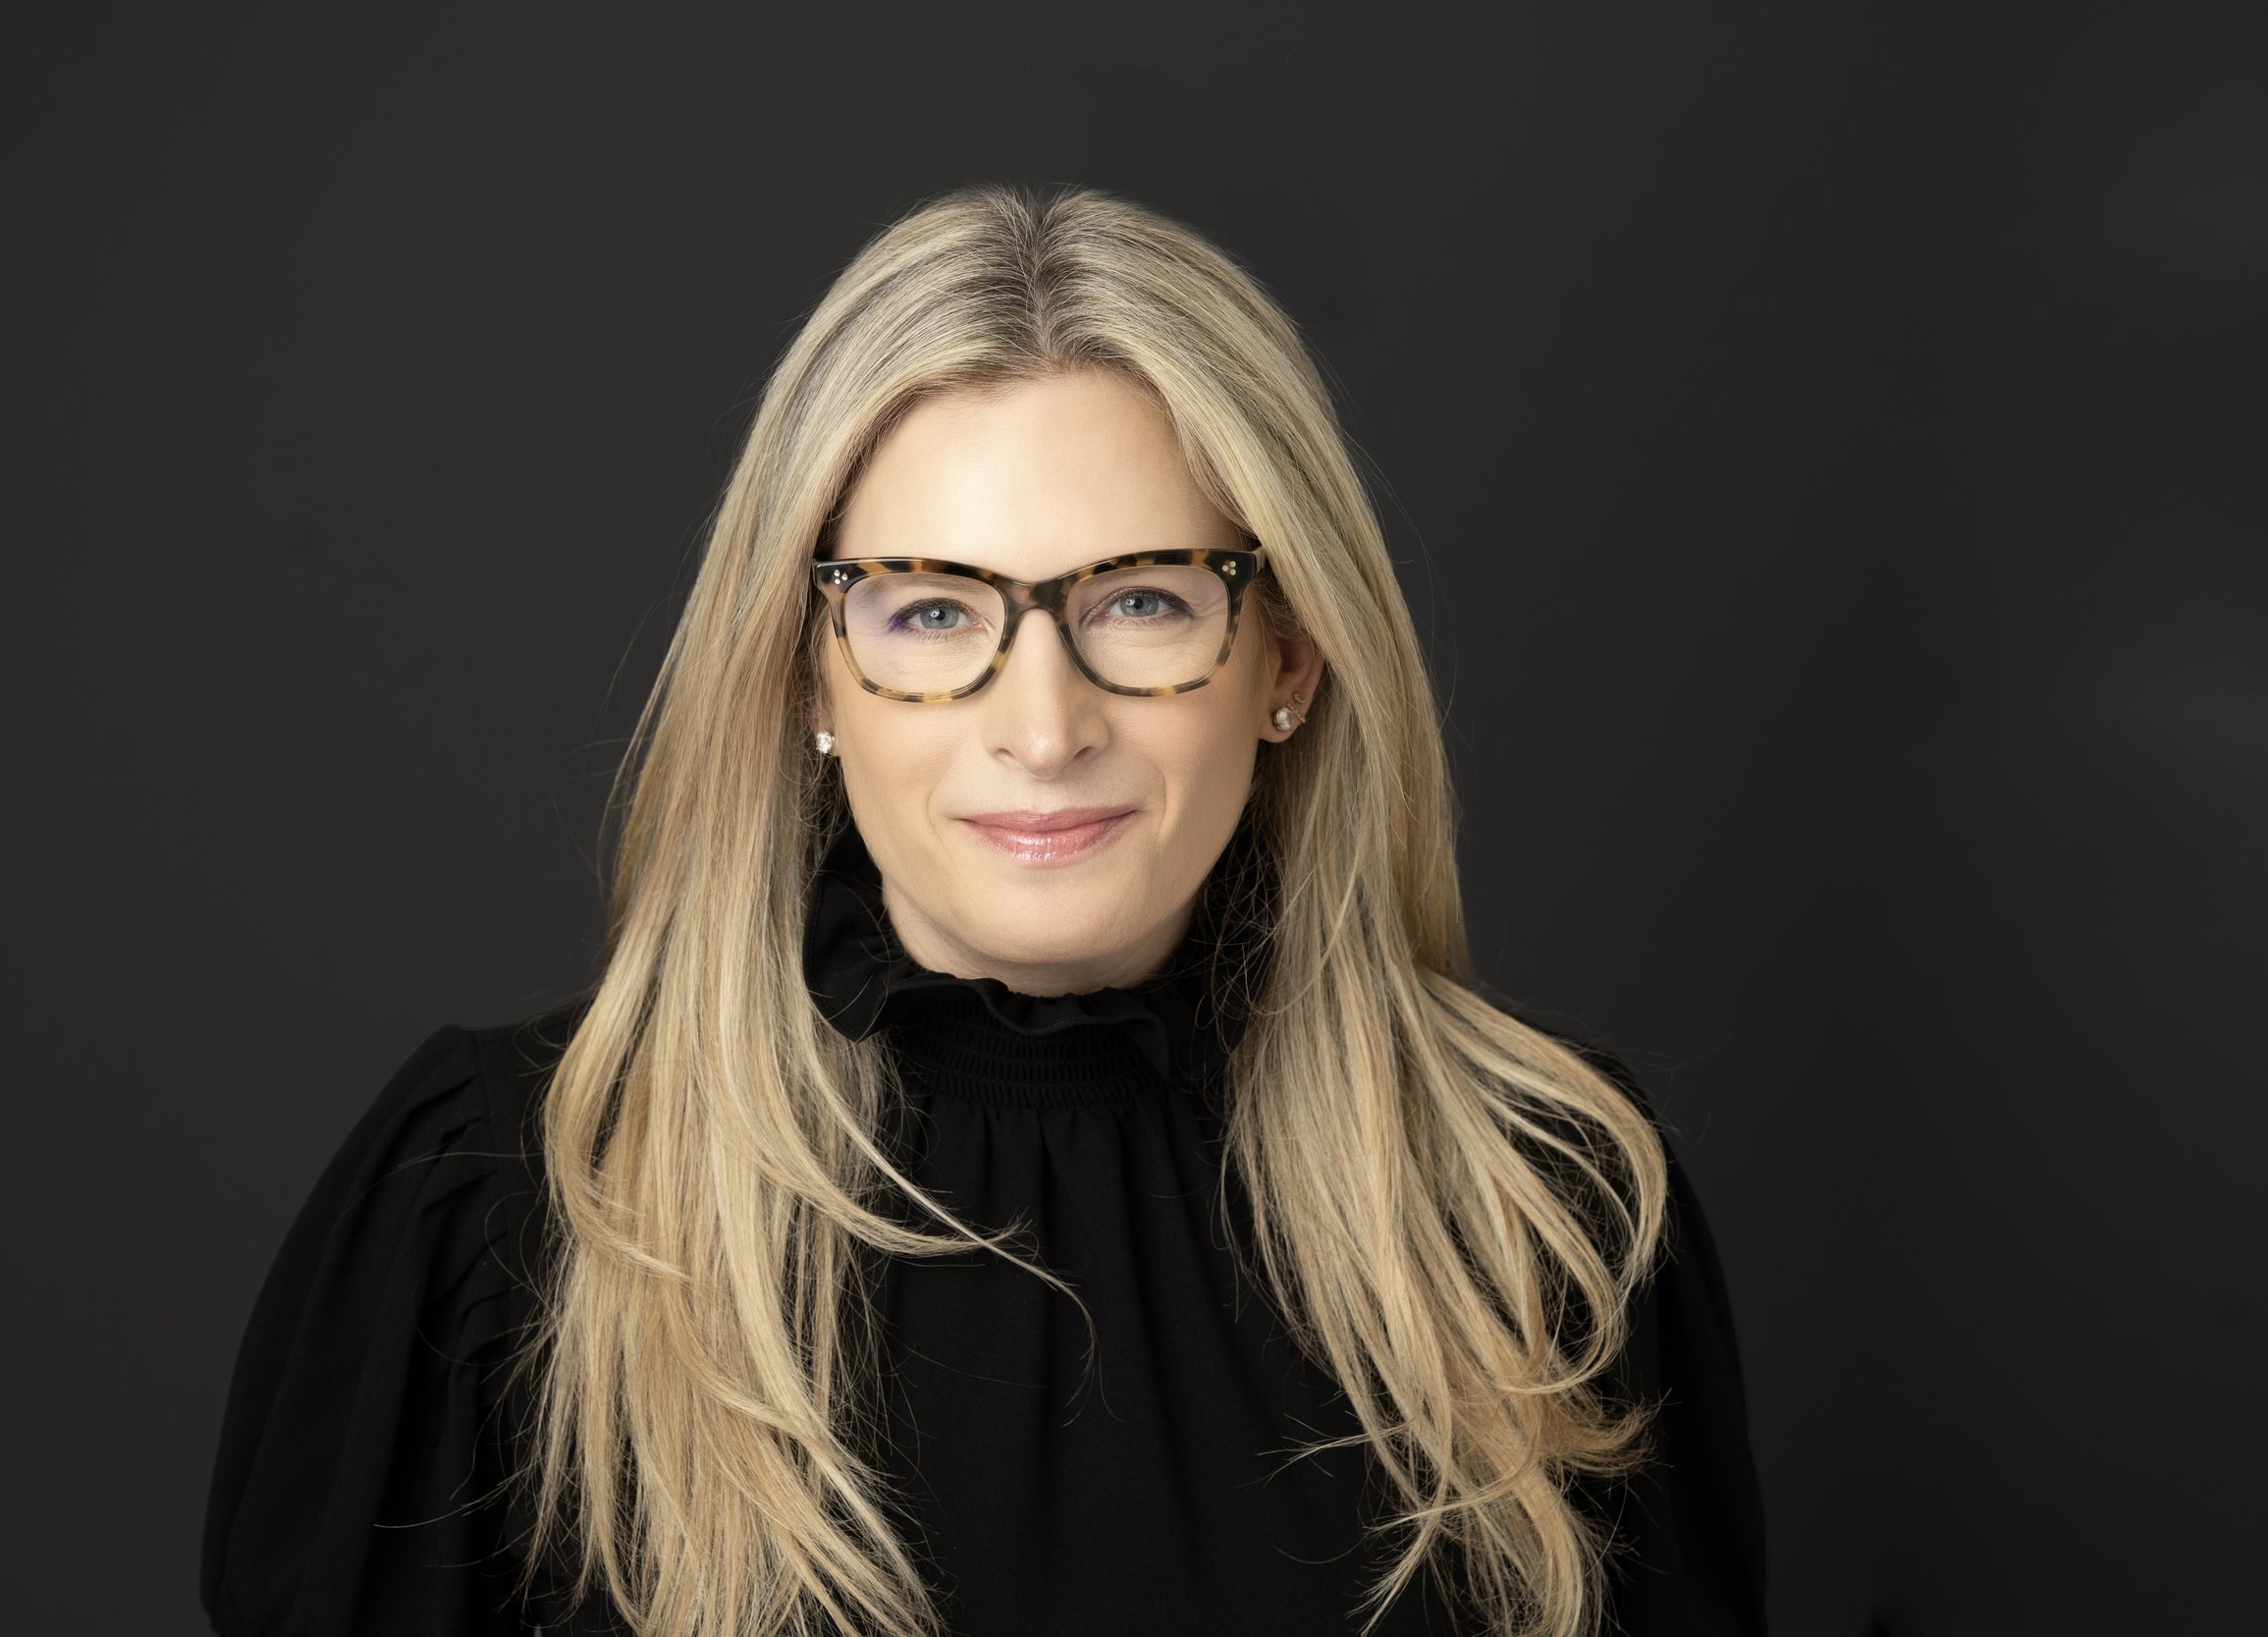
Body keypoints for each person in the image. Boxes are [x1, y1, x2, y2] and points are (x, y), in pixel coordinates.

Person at [200, 183, 1767, 1637]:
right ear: (809, 668)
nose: (1042, 723)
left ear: (1289, 660)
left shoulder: (1544, 1211)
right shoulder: (504, 1208)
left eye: (1142, 601)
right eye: (933, 609)